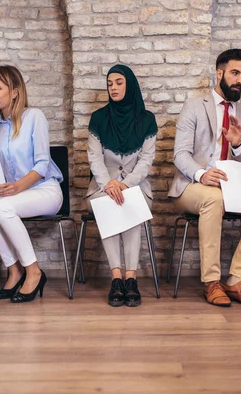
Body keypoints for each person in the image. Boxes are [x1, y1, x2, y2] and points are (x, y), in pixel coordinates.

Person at [168, 48, 241, 308]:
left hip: (233, 188)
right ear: (220, 73)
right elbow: (179, 154)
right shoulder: (195, 106)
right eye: (235, 73)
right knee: (213, 199)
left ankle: (238, 279)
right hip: (193, 187)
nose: (240, 80)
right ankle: (212, 281)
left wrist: (239, 145)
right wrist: (202, 174)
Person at [0, 65, 63, 303]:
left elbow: (42, 164)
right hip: (16, 194)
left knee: (3, 208)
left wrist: (16, 188)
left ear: (14, 92)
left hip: (45, 190)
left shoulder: (34, 117)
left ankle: (34, 272)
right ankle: (15, 270)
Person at [86, 64, 157, 307]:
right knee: (108, 205)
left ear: (130, 85)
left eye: (119, 82)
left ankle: (131, 278)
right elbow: (95, 158)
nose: (113, 88)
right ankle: (116, 278)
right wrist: (109, 184)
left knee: (130, 206)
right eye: (110, 84)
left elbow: (146, 160)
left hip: (135, 186)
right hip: (102, 187)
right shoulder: (98, 118)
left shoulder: (147, 120)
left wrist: (125, 185)